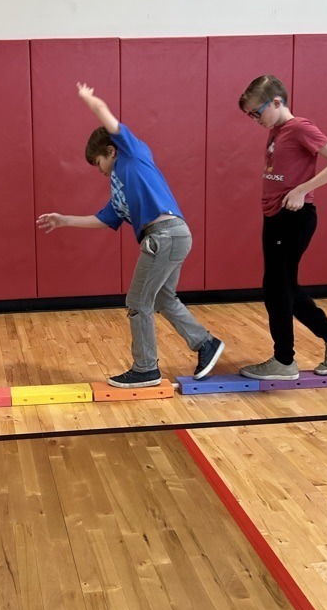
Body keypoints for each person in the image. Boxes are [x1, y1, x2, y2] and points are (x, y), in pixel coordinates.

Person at [36, 82, 224, 388]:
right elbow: (102, 219)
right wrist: (64, 220)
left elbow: (106, 118)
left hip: (164, 235)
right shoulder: (119, 188)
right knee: (163, 297)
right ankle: (206, 343)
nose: (99, 170)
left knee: (137, 300)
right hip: (173, 236)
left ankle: (145, 368)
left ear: (110, 151)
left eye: (98, 163)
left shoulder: (131, 154)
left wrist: (88, 99)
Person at [238, 74, 327, 380]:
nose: (255, 119)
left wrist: (303, 189)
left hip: (294, 217)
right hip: (276, 216)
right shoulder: (277, 130)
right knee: (282, 287)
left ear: (276, 102)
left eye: (257, 112)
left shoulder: (300, 127)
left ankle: (284, 360)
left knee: (278, 289)